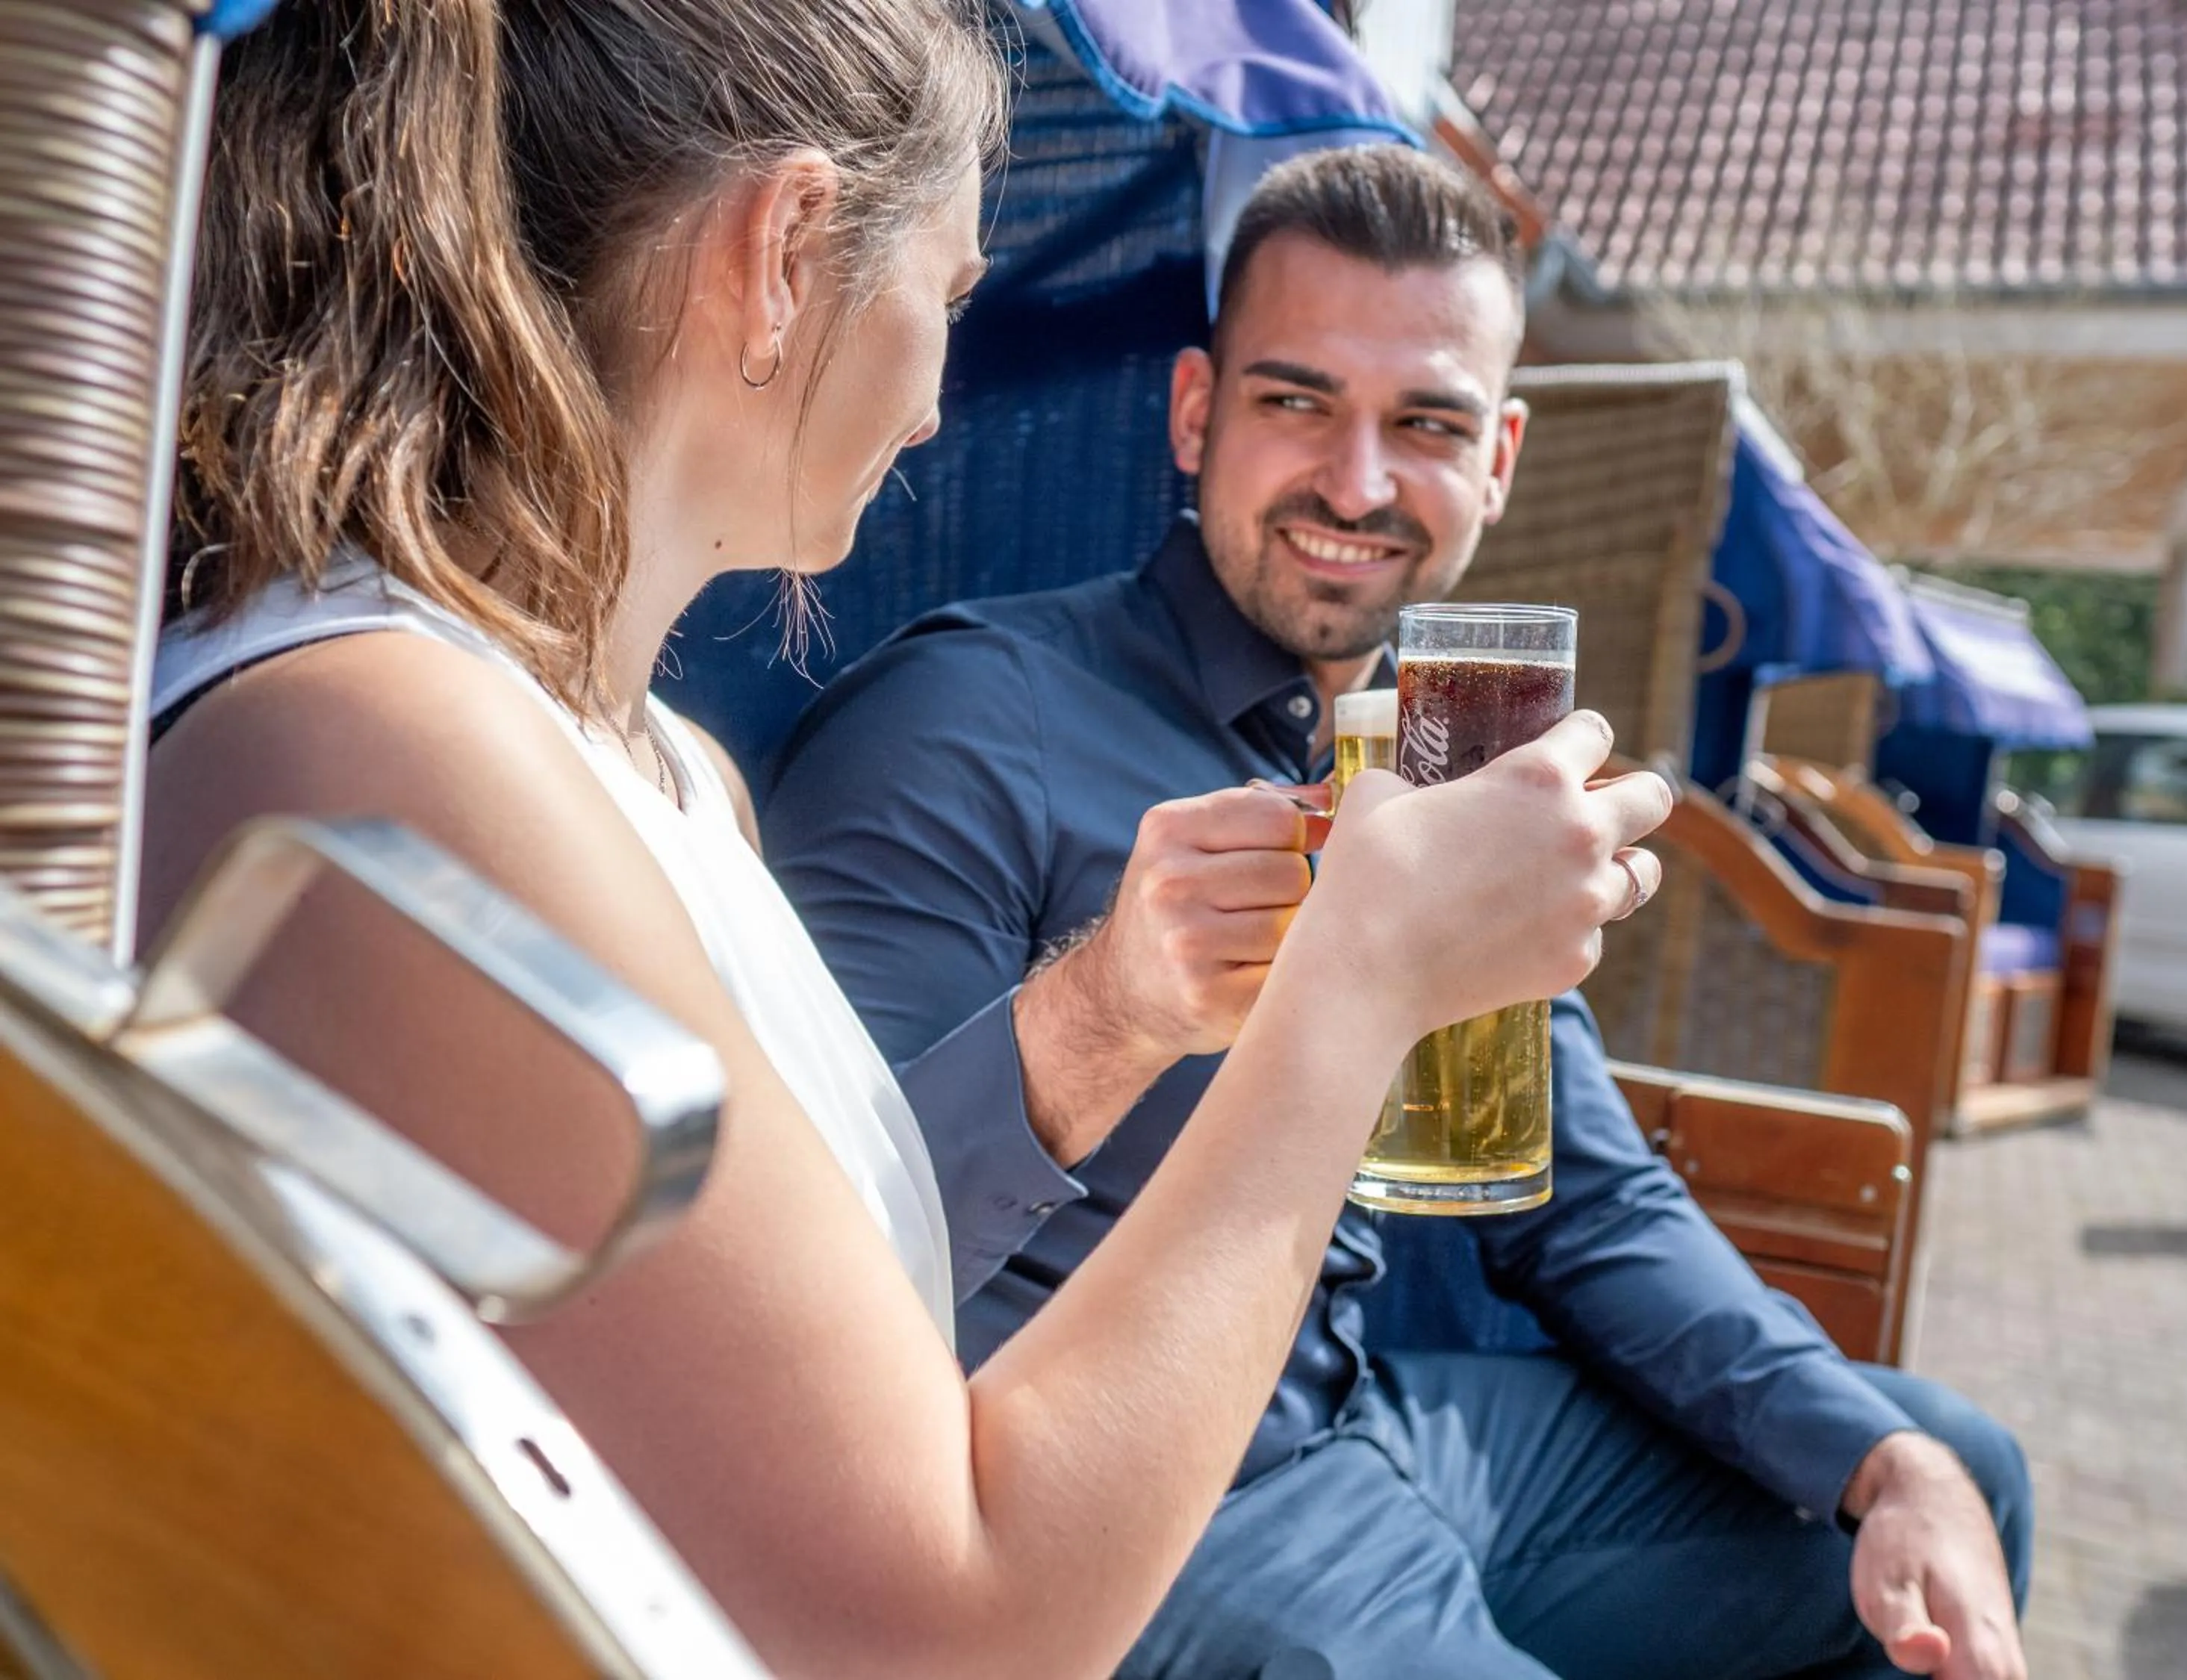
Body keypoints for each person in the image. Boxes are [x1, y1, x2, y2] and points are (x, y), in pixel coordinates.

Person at [139, 7, 1673, 1679]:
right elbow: (949, 1634)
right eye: (951, 297)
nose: (947, 403)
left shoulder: (650, 769)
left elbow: (790, 1327)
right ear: (788, 247)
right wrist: (1356, 988)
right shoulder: (389, 746)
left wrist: (1107, 1022)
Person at [763, 145, 2033, 1680]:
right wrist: (1109, 1004)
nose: (1357, 485)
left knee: (1953, 1472)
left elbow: (1584, 1197)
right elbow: (822, 1263)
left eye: (1422, 424)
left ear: (1496, 462)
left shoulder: (1443, 765)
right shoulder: (968, 722)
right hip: (1141, 1496)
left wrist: (1882, 1463)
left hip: (1366, 1415)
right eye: (1297, 400)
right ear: (1194, 413)